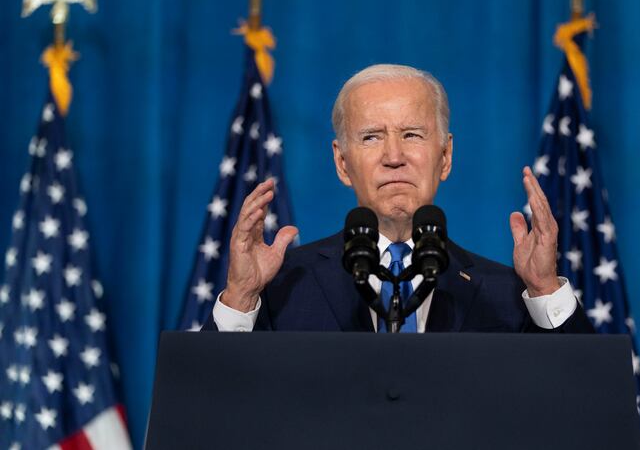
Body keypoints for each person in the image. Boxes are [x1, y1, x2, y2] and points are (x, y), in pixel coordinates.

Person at [204, 64, 592, 333]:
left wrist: (545, 290)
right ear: (342, 163)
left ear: (445, 156)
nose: (394, 156)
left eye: (412, 135)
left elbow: (584, 402)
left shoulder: (507, 294)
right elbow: (209, 404)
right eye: (371, 137)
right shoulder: (282, 288)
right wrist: (241, 297)